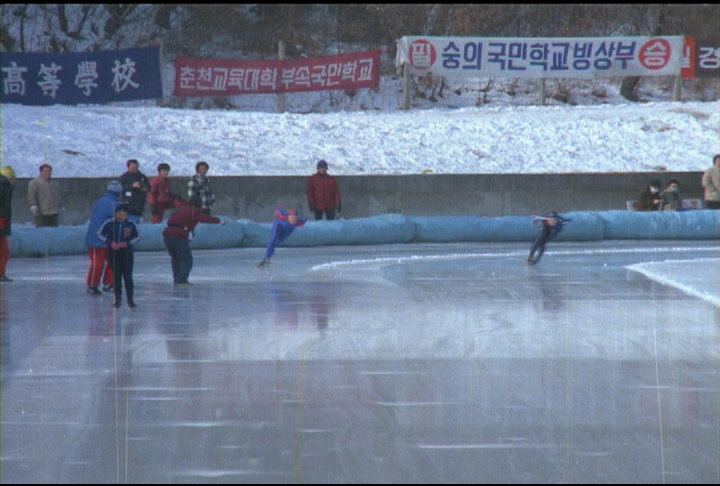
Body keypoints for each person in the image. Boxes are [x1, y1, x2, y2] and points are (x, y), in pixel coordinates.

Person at [162, 201, 223, 286]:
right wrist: (219, 221)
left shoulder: (179, 210)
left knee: (176, 259)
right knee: (186, 259)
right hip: (178, 236)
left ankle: (177, 279)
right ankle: (181, 281)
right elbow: (205, 219)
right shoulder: (193, 211)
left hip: (167, 235)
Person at [97, 202, 141, 308]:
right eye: (119, 214)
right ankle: (117, 299)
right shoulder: (109, 223)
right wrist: (110, 243)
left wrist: (127, 243)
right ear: (116, 214)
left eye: (124, 215)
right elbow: (99, 234)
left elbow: (138, 237)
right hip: (113, 253)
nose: (121, 217)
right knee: (116, 277)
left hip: (126, 253)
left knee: (128, 277)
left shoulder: (131, 224)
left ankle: (130, 299)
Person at [84, 180, 122, 295]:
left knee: (99, 262)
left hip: (98, 237)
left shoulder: (99, 202)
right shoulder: (115, 204)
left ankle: (94, 284)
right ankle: (106, 283)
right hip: (102, 238)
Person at [27, 163, 62, 227]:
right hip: (42, 213)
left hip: (54, 213)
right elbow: (32, 194)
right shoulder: (35, 182)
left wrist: (60, 205)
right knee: (42, 232)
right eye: (46, 171)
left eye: (49, 171)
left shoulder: (54, 183)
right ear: (41, 172)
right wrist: (33, 204)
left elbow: (58, 195)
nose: (48, 173)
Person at [119, 158, 150, 223]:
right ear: (128, 167)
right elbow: (121, 187)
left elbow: (148, 186)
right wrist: (132, 186)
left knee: (139, 221)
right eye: (132, 167)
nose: (134, 169)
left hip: (139, 205)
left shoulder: (141, 176)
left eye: (136, 167)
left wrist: (145, 188)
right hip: (128, 204)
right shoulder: (124, 177)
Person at [0, 165, 16, 282]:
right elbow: (3, 205)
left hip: (2, 222)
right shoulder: (4, 186)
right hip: (1, 222)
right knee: (4, 252)